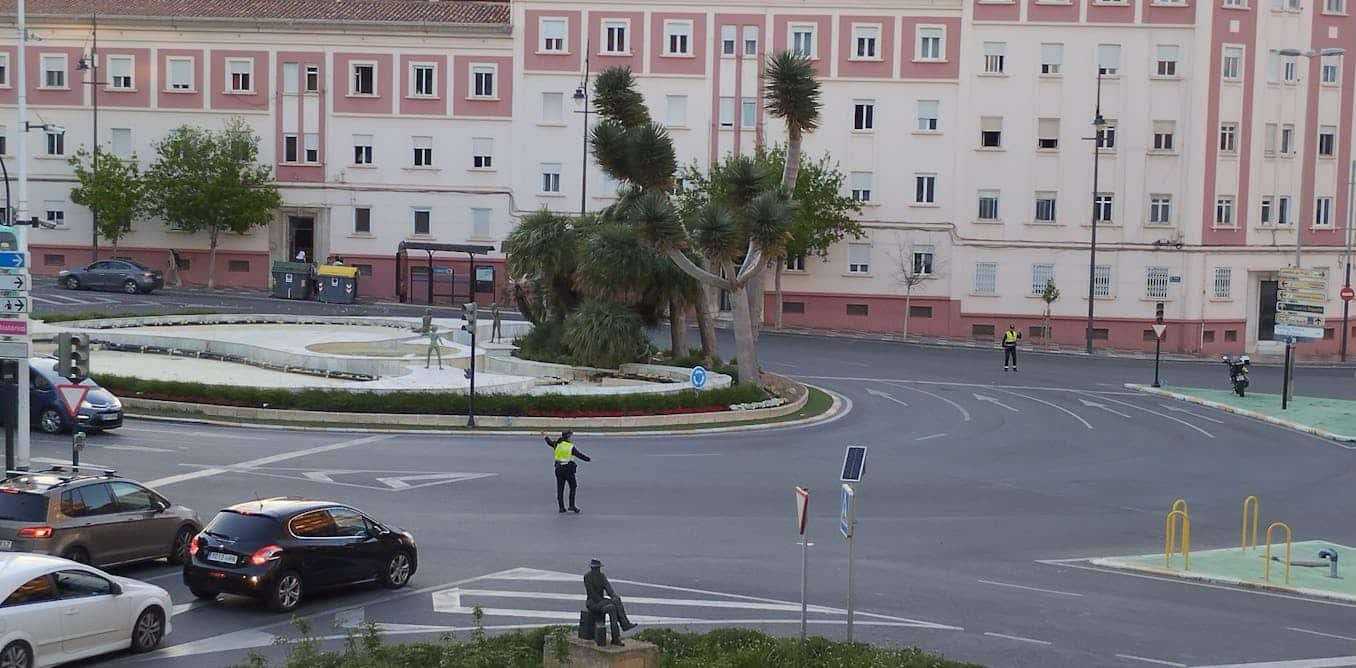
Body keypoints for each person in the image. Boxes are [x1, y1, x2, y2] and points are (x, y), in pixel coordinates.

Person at [583, 559, 636, 646]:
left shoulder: (602, 576)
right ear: (591, 568)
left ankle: (618, 635)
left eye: (597, 568)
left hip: (602, 601)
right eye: (594, 568)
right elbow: (592, 594)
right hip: (592, 603)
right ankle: (623, 626)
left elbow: (609, 589)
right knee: (611, 607)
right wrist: (607, 601)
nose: (596, 570)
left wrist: (614, 597)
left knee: (615, 602)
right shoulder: (587, 577)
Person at [546, 430, 590, 513]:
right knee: (573, 486)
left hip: (558, 469)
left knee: (560, 489)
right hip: (568, 469)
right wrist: (588, 459)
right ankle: (571, 505)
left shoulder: (557, 444)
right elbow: (579, 455)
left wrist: (546, 437)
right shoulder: (570, 446)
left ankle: (561, 507)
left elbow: (549, 442)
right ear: (568, 437)